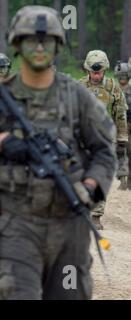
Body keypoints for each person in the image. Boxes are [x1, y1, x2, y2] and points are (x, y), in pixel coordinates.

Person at [0, 5, 116, 300]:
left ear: (58, 45)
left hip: (70, 227)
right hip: (18, 223)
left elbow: (104, 152)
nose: (39, 47)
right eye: (30, 40)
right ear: (17, 45)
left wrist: (89, 187)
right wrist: (2, 142)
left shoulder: (77, 97)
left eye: (46, 41)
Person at [79, 50, 128, 229]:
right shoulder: (79, 87)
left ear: (105, 70)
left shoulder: (112, 88)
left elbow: (120, 115)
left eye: (99, 72)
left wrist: (122, 139)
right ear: (88, 70)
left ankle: (95, 216)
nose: (96, 75)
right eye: (93, 72)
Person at [114, 62, 131, 190]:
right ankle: (122, 179)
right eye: (121, 76)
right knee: (119, 153)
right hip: (117, 125)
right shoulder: (113, 89)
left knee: (129, 152)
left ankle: (129, 180)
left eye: (124, 75)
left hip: (129, 124)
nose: (122, 78)